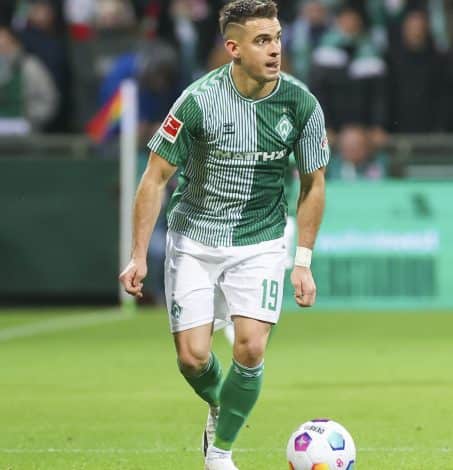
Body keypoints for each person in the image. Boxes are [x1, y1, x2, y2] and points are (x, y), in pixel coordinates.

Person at [117, 2, 330, 469]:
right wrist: (138, 255)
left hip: (261, 240)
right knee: (192, 359)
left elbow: (313, 184)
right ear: (233, 48)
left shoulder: (301, 104)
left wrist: (303, 260)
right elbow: (154, 177)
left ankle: (220, 453)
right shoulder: (198, 101)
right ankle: (223, 404)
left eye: (277, 38)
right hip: (194, 239)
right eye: (262, 41)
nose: (274, 49)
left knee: (250, 346)